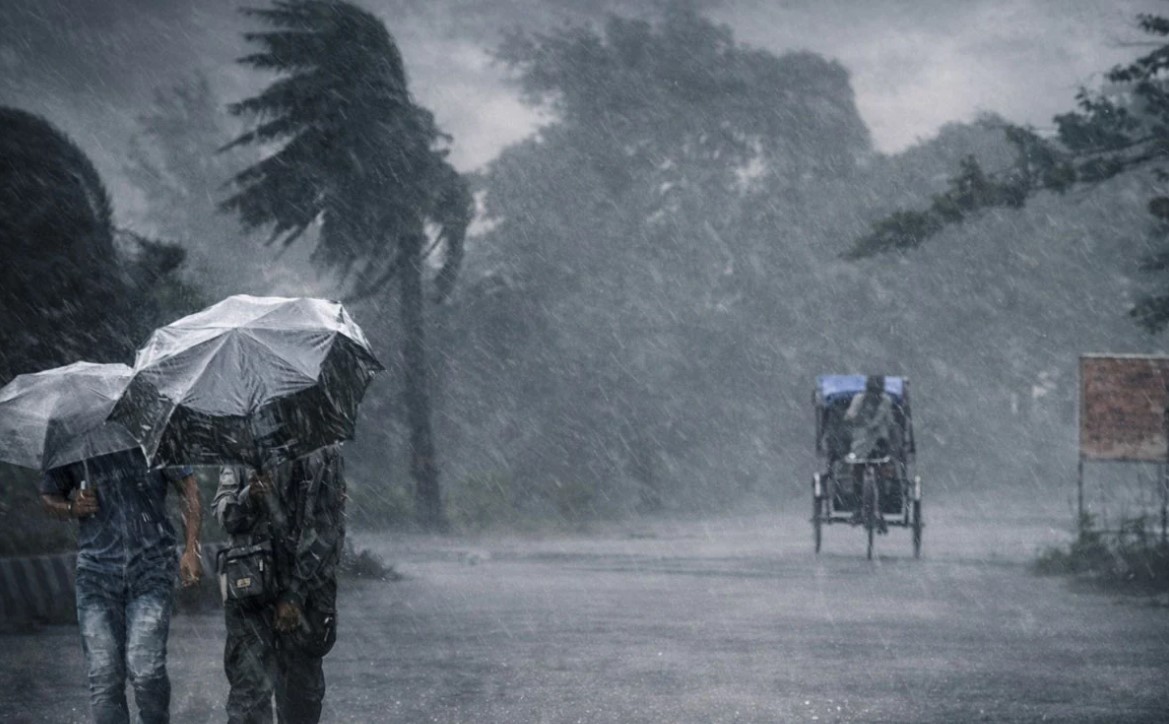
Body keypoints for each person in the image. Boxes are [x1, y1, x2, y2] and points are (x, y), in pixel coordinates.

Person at [40, 448, 202, 724]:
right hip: (96, 573)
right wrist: (70, 507)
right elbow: (47, 495)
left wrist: (191, 549)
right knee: (104, 677)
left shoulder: (152, 433)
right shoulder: (76, 438)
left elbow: (188, 487)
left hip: (151, 567)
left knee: (146, 668)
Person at [213, 444, 346, 724]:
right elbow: (225, 515)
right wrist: (249, 496)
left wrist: (296, 592)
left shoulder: (323, 451)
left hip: (307, 591)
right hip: (251, 588)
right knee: (248, 695)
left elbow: (328, 528)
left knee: (301, 698)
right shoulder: (242, 447)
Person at [844, 375, 898, 530]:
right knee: (857, 472)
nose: (875, 394)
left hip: (879, 442)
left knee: (880, 474)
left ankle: (878, 511)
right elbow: (851, 415)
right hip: (861, 443)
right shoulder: (860, 399)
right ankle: (858, 508)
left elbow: (890, 422)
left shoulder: (885, 401)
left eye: (877, 391)